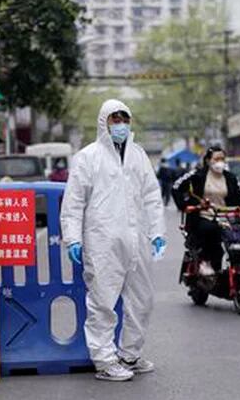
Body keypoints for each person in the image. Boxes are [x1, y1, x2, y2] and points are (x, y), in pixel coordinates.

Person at [61, 99, 167, 382]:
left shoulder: (138, 155)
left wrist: (157, 231)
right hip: (102, 240)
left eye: (124, 120)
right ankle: (104, 360)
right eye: (115, 120)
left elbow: (151, 195)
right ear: (104, 123)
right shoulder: (88, 157)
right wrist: (73, 238)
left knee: (143, 300)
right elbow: (74, 202)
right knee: (103, 302)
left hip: (137, 239)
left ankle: (129, 354)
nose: (120, 125)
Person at [172, 146, 240, 275]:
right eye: (216, 159)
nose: (220, 162)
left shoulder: (230, 178)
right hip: (203, 216)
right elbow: (176, 187)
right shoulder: (197, 175)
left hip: (227, 217)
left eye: (222, 159)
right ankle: (205, 262)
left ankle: (238, 265)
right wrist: (185, 206)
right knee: (211, 232)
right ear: (208, 160)